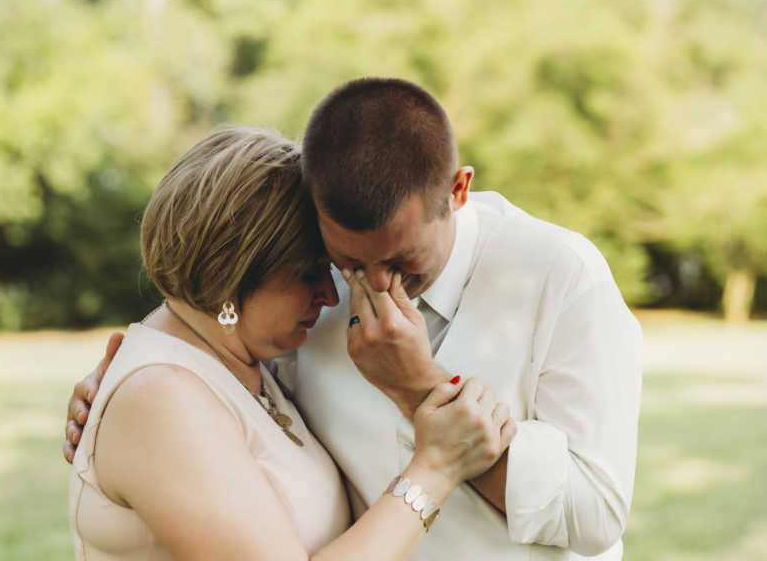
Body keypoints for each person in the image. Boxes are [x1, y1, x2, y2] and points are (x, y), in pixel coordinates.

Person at [66, 79, 644, 560]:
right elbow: (205, 334)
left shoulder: (559, 276)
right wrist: (129, 390)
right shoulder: (307, 291)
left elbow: (596, 512)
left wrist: (418, 389)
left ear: (459, 190)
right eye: (341, 263)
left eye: (400, 259)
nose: (367, 283)